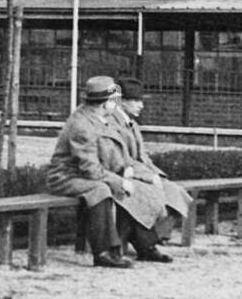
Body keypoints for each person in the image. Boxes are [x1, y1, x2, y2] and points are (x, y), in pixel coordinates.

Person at [45, 75, 178, 268]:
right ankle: (104, 252)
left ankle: (145, 246)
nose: (117, 104)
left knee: (131, 188)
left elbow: (114, 154)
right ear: (105, 102)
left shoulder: (99, 118)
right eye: (115, 100)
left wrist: (129, 173)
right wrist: (119, 181)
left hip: (87, 175)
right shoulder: (82, 125)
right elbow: (90, 169)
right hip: (67, 177)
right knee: (102, 190)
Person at [114, 77, 193, 245]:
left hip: (139, 173)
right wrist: (148, 177)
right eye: (135, 100)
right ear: (121, 102)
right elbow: (123, 159)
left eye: (140, 100)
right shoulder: (114, 123)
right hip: (124, 174)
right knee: (147, 196)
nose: (141, 105)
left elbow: (143, 156)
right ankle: (143, 241)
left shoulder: (132, 124)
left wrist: (156, 174)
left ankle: (156, 237)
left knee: (176, 192)